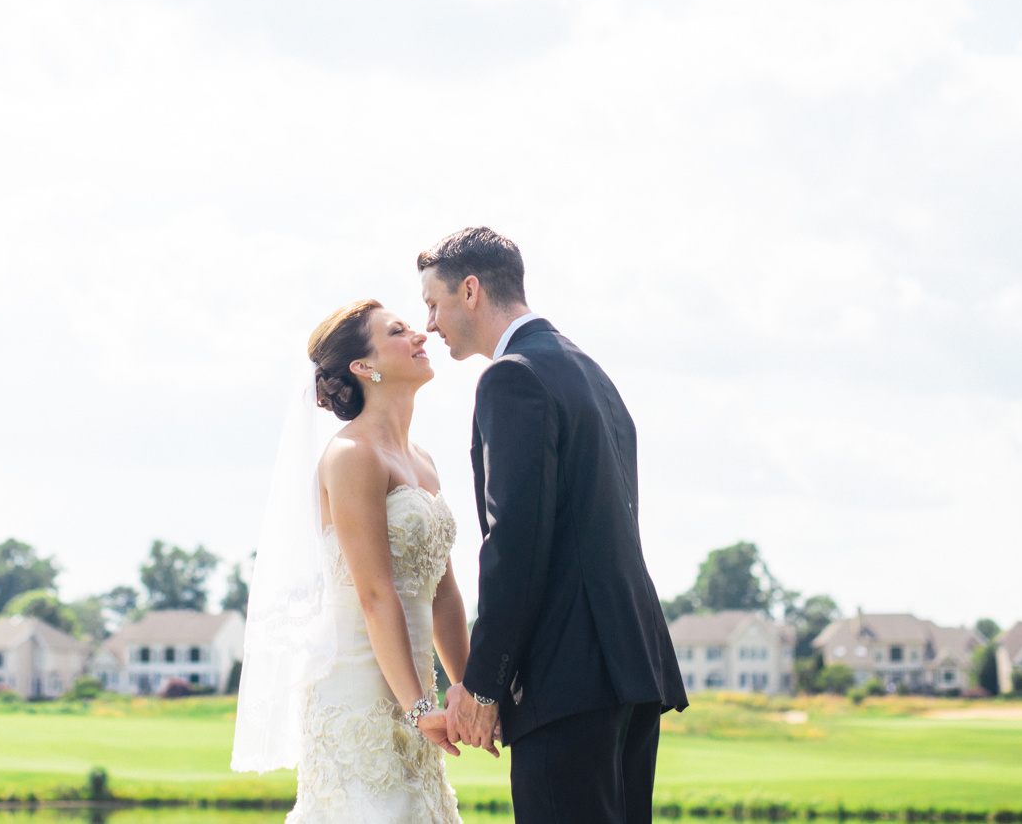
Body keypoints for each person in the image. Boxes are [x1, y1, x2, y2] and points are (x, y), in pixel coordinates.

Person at [421, 226, 687, 824]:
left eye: (433, 303)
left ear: (470, 291)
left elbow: (516, 542)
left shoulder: (511, 376)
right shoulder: (588, 370)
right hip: (628, 669)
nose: (431, 324)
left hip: (567, 681)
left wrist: (483, 686)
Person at [232, 299, 469, 823]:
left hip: (413, 686)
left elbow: (445, 593)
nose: (420, 335)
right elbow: (375, 593)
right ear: (365, 368)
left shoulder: (424, 461)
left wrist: (468, 691)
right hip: (359, 686)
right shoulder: (351, 455)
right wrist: (421, 708)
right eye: (398, 331)